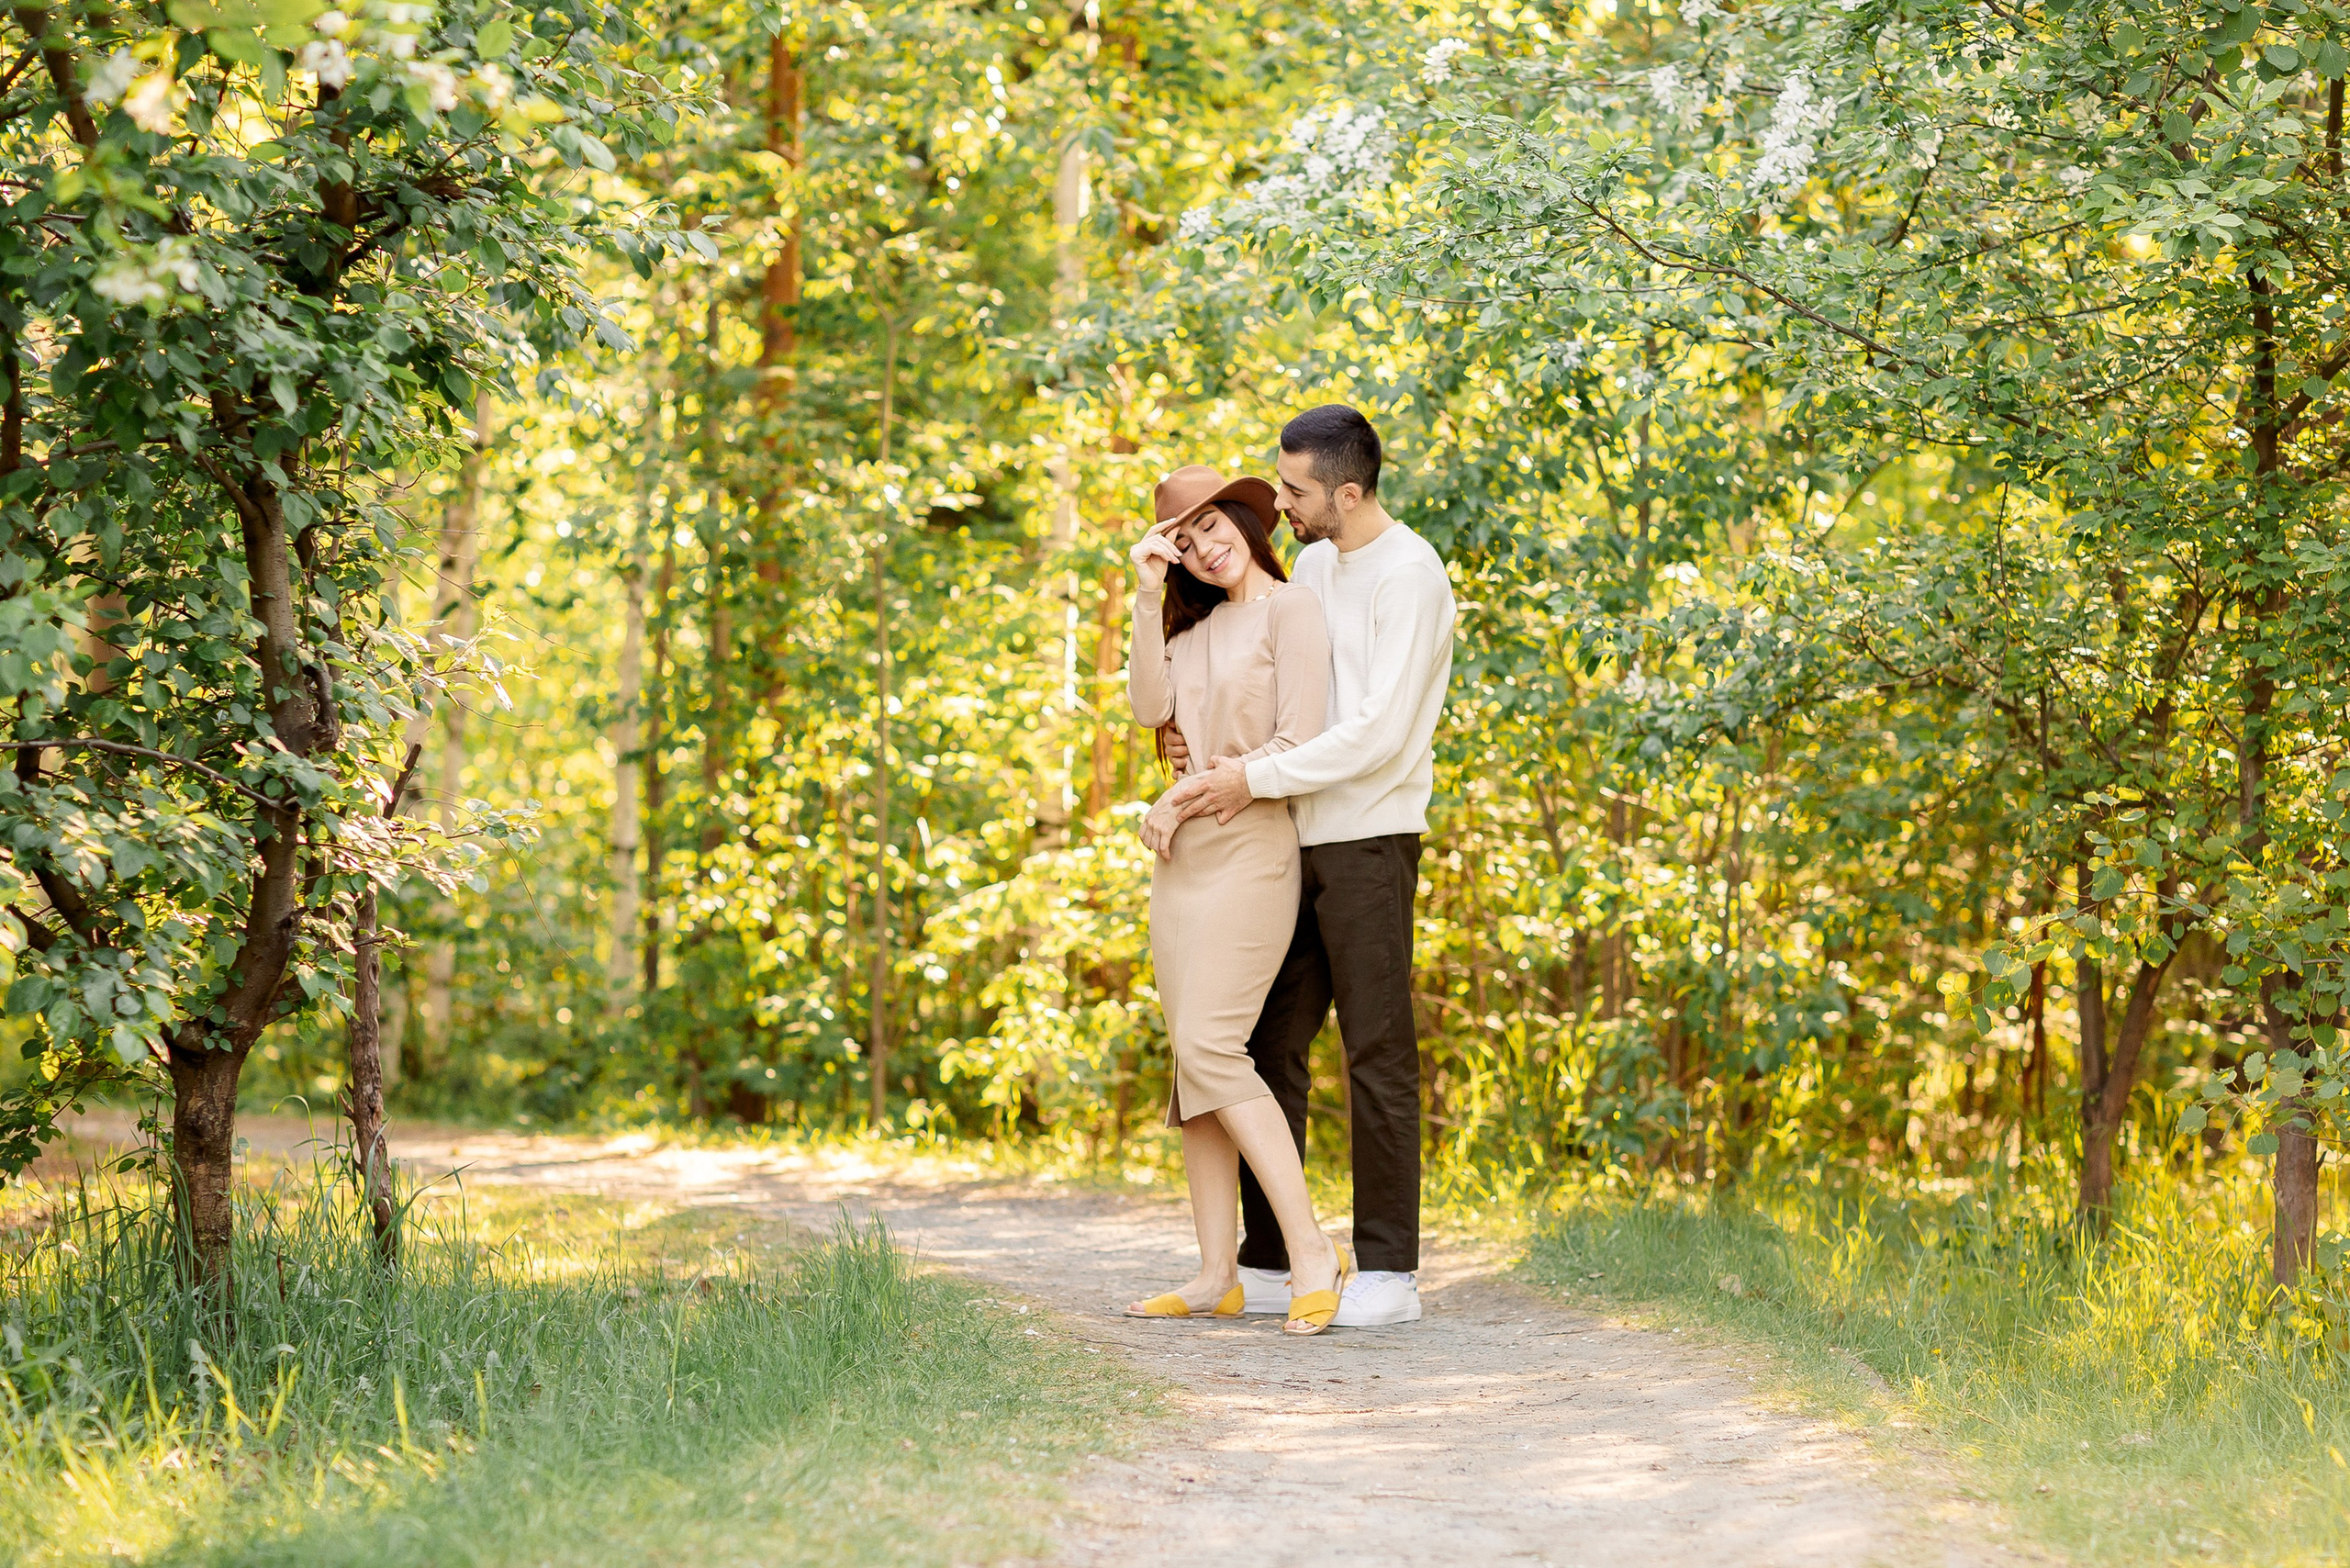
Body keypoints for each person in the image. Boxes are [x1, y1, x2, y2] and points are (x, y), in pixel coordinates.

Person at [1147, 405, 1455, 1328]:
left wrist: (1251, 774)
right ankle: (1273, 1256)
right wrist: (1196, 742)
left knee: (1374, 1047)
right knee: (1262, 1040)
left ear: (1346, 493)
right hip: (1284, 839)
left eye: (1293, 491)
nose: (1278, 506)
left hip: (1366, 837)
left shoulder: (1410, 574)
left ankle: (1389, 1271)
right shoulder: (1314, 566)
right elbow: (1271, 680)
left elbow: (1376, 733)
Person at [1123, 463, 1353, 1336]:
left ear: (1247, 522)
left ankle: (1308, 1250)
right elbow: (1151, 706)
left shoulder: (1291, 611)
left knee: (1216, 1046)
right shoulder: (1189, 631)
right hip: (1181, 866)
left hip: (1255, 851)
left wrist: (1181, 794)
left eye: (1213, 527)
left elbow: (1299, 741)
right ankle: (1218, 1270)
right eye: (1183, 543)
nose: (1204, 549)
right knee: (1193, 1062)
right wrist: (1149, 597)